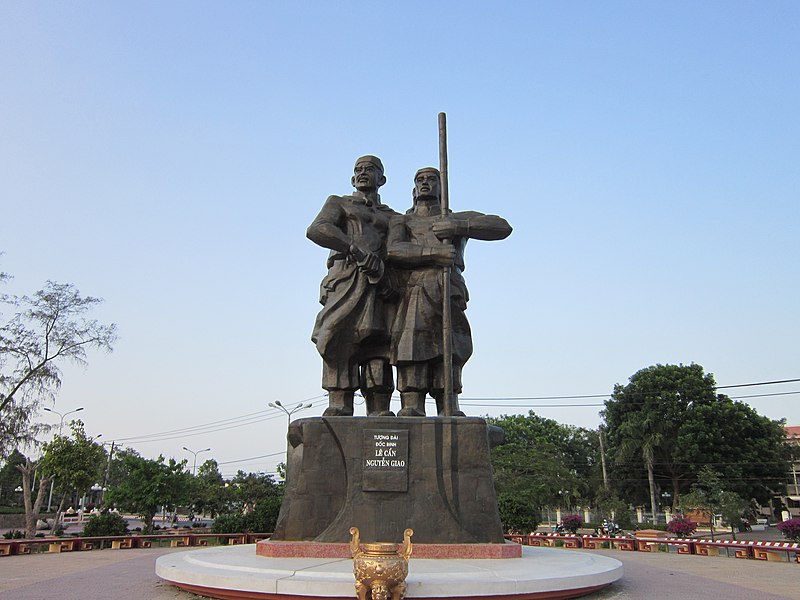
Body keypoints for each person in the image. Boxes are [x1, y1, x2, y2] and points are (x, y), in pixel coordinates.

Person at [386, 167, 511, 417]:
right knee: (411, 345)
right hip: (415, 288)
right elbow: (393, 250)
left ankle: (449, 404)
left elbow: (502, 227)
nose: (425, 183)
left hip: (448, 289)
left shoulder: (455, 219)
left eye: (431, 179)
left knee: (451, 346)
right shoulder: (403, 221)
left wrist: (459, 227)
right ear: (413, 189)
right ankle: (412, 404)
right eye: (420, 180)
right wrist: (433, 254)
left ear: (443, 188)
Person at [307, 155, 399, 416]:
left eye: (369, 169)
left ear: (382, 178)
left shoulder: (392, 216)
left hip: (380, 282)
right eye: (358, 170)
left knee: (380, 340)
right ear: (352, 178)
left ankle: (379, 406)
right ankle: (339, 402)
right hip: (347, 275)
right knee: (338, 335)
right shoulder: (339, 203)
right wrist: (354, 249)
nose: (362, 173)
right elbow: (317, 229)